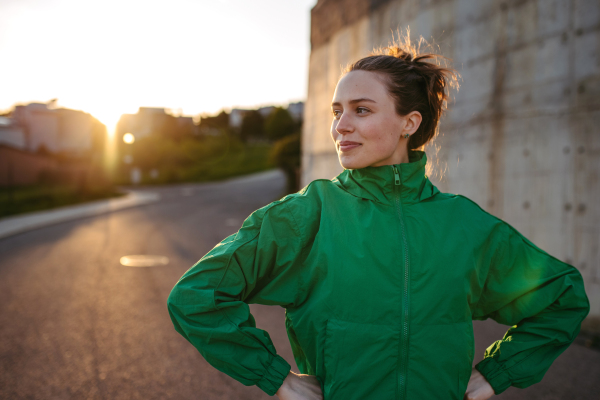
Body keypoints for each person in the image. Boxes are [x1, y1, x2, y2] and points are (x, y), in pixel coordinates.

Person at [166, 33, 590, 400]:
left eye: (361, 110)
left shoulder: (464, 226)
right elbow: (196, 297)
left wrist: (496, 374)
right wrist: (278, 379)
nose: (340, 127)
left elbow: (562, 298)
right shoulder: (306, 216)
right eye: (337, 112)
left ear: (409, 122)